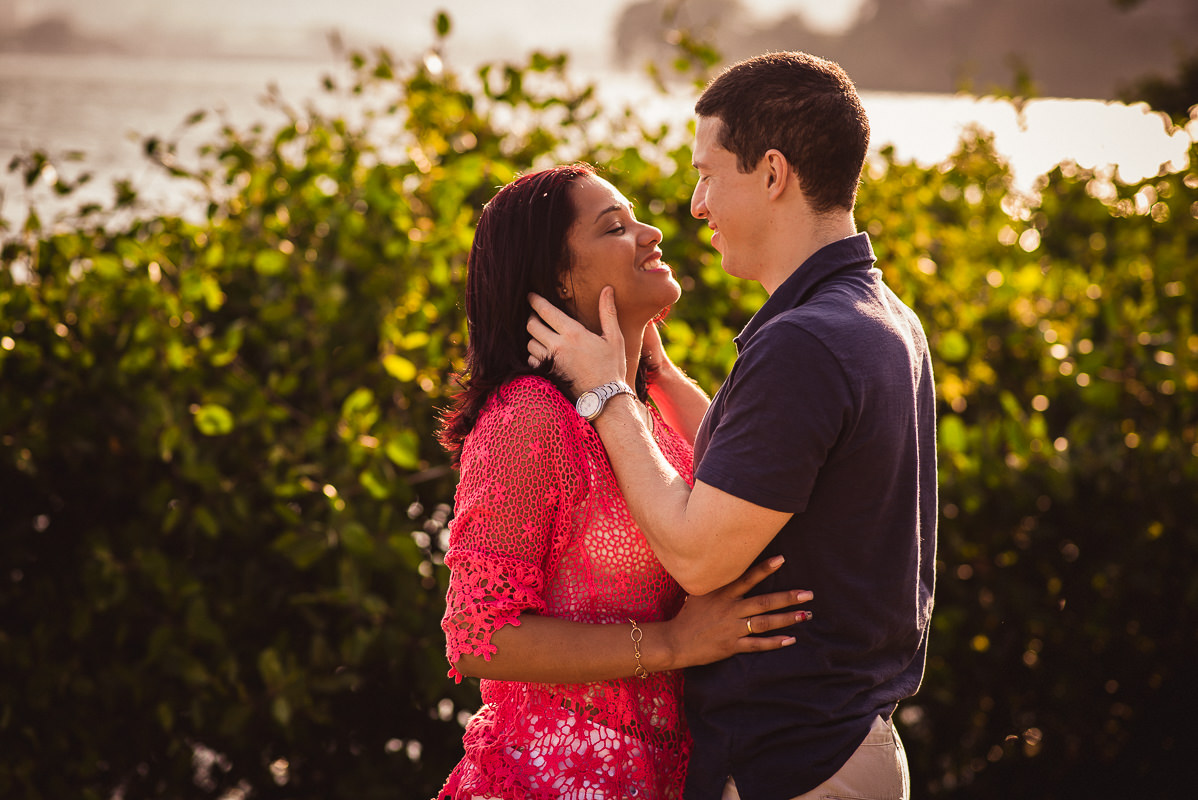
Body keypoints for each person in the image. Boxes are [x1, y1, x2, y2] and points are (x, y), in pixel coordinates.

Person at [526, 52, 938, 800]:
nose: (695, 203)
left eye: (709, 173)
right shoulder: (877, 315)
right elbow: (773, 472)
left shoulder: (805, 341)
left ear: (773, 173)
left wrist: (607, 392)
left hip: (798, 761)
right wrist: (656, 378)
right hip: (846, 744)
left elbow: (697, 555)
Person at [435, 163, 814, 800]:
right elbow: (479, 637)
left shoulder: (637, 419)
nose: (651, 233)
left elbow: (742, 473)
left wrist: (654, 370)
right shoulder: (529, 418)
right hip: (547, 776)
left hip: (662, 775)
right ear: (560, 277)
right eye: (616, 227)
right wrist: (670, 644)